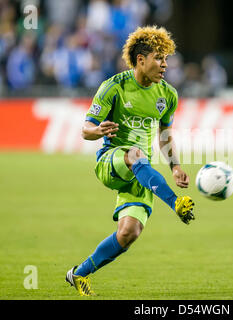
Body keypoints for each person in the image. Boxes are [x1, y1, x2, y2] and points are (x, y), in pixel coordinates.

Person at [65, 26, 195, 296]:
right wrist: (98, 130)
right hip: (112, 161)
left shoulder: (167, 95)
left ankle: (78, 274)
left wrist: (176, 167)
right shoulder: (114, 87)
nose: (165, 65)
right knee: (136, 154)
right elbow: (85, 129)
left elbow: (165, 135)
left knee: (128, 233)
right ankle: (176, 204)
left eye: (167, 59)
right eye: (159, 58)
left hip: (141, 171)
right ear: (141, 60)